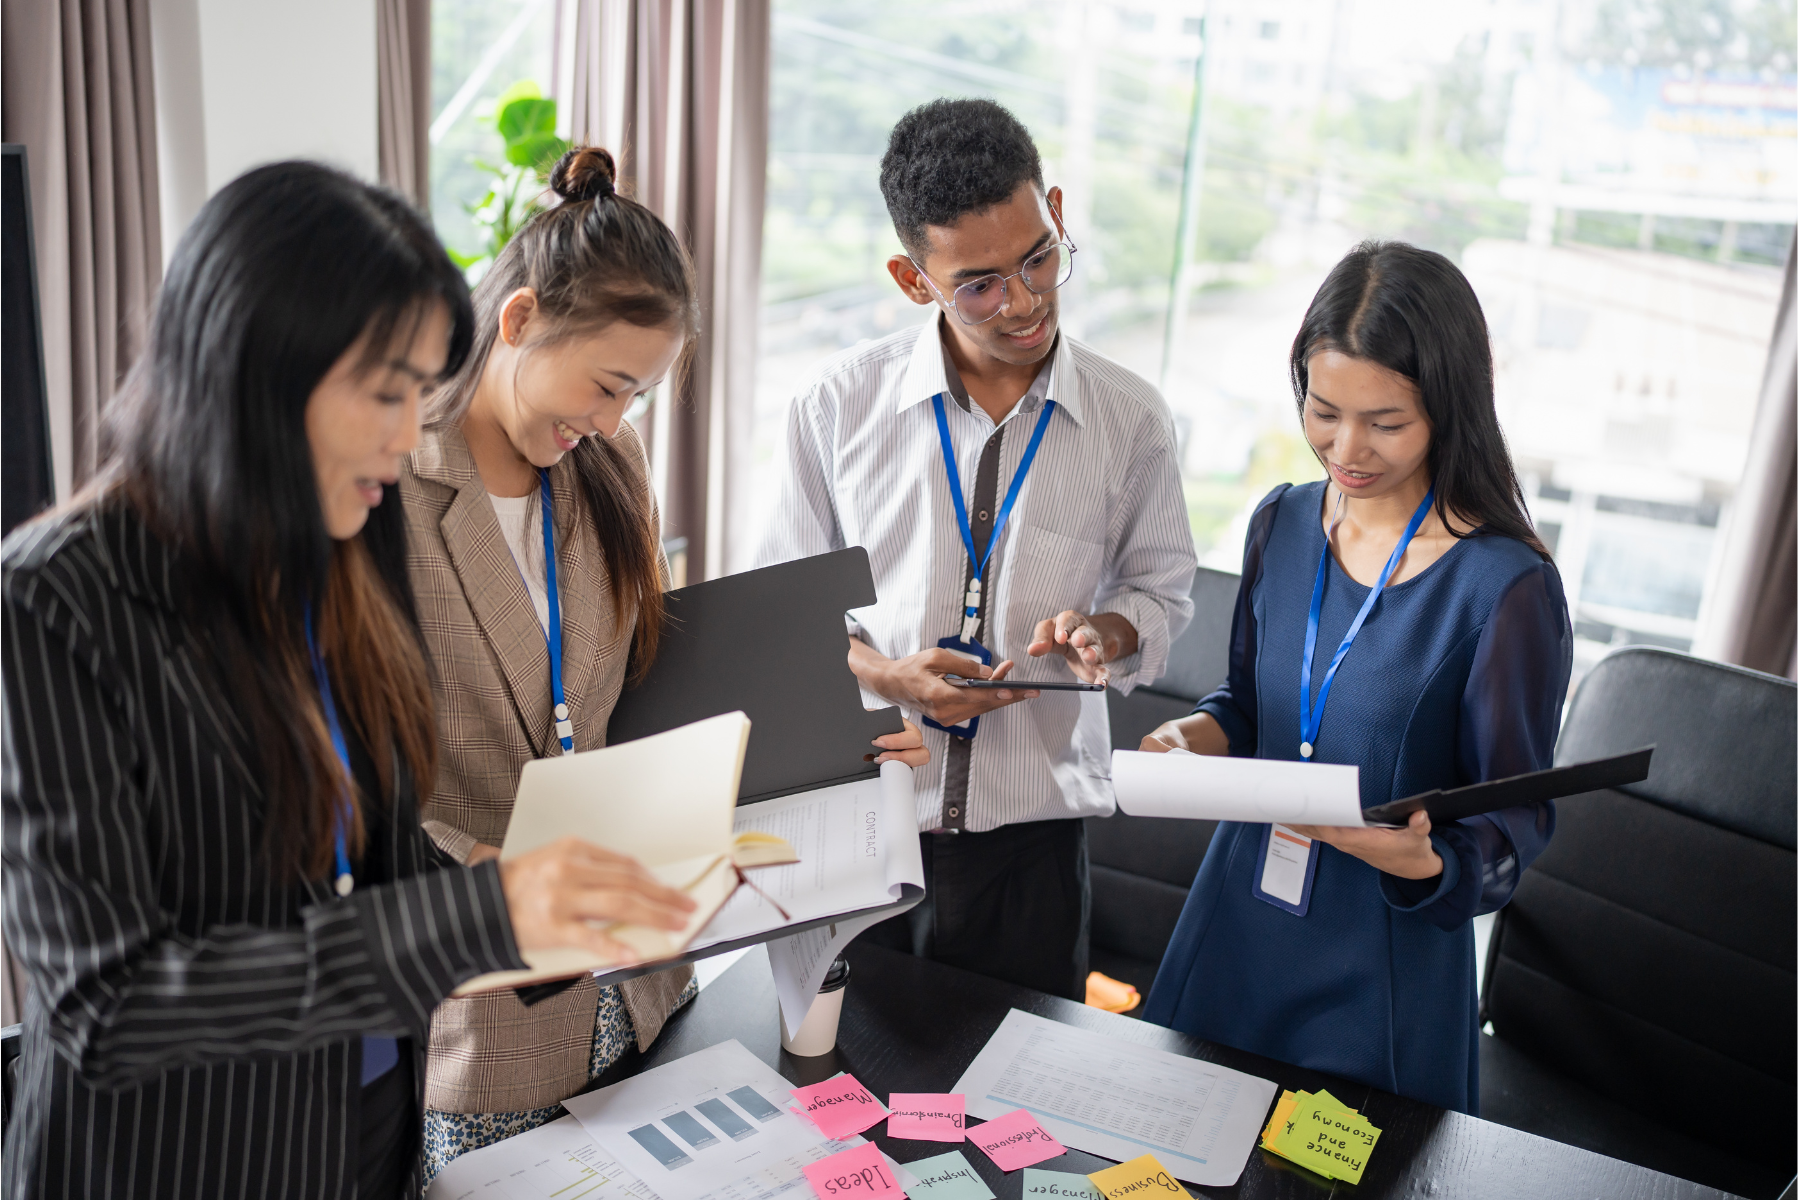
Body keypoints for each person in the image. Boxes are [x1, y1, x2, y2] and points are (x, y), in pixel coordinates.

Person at [0, 161, 699, 1199]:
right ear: (259, 366)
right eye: (386, 393)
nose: (403, 431)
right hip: (172, 1161)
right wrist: (486, 914)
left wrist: (561, 903)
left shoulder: (326, 547)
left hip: (356, 1130)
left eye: (418, 392)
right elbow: (106, 1008)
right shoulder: (60, 596)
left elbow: (360, 854)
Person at [399, 146, 927, 1179]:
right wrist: (487, 886)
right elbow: (357, 772)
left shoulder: (603, 460)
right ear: (517, 323)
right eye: (605, 386)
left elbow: (655, 679)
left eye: (637, 397)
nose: (611, 422)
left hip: (645, 986)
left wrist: (837, 734)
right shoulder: (393, 487)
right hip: (492, 1006)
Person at [757, 99, 1197, 1001]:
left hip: (1033, 859)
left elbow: (1161, 598)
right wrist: (888, 680)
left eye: (1040, 257)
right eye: (980, 283)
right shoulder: (836, 406)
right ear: (913, 279)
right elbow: (783, 624)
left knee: (1014, 1133)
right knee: (833, 1114)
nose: (1026, 300)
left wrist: (1105, 636)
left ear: (1059, 213)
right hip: (862, 835)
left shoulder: (1133, 421)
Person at [1139, 241, 1573, 1114]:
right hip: (1236, 918)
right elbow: (1250, 706)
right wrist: (1194, 736)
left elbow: (1515, 816)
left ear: (1449, 410)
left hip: (1379, 952)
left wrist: (1428, 860)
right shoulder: (1284, 521)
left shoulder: (1503, 586)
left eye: (1386, 422)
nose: (1346, 448)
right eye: (1323, 409)